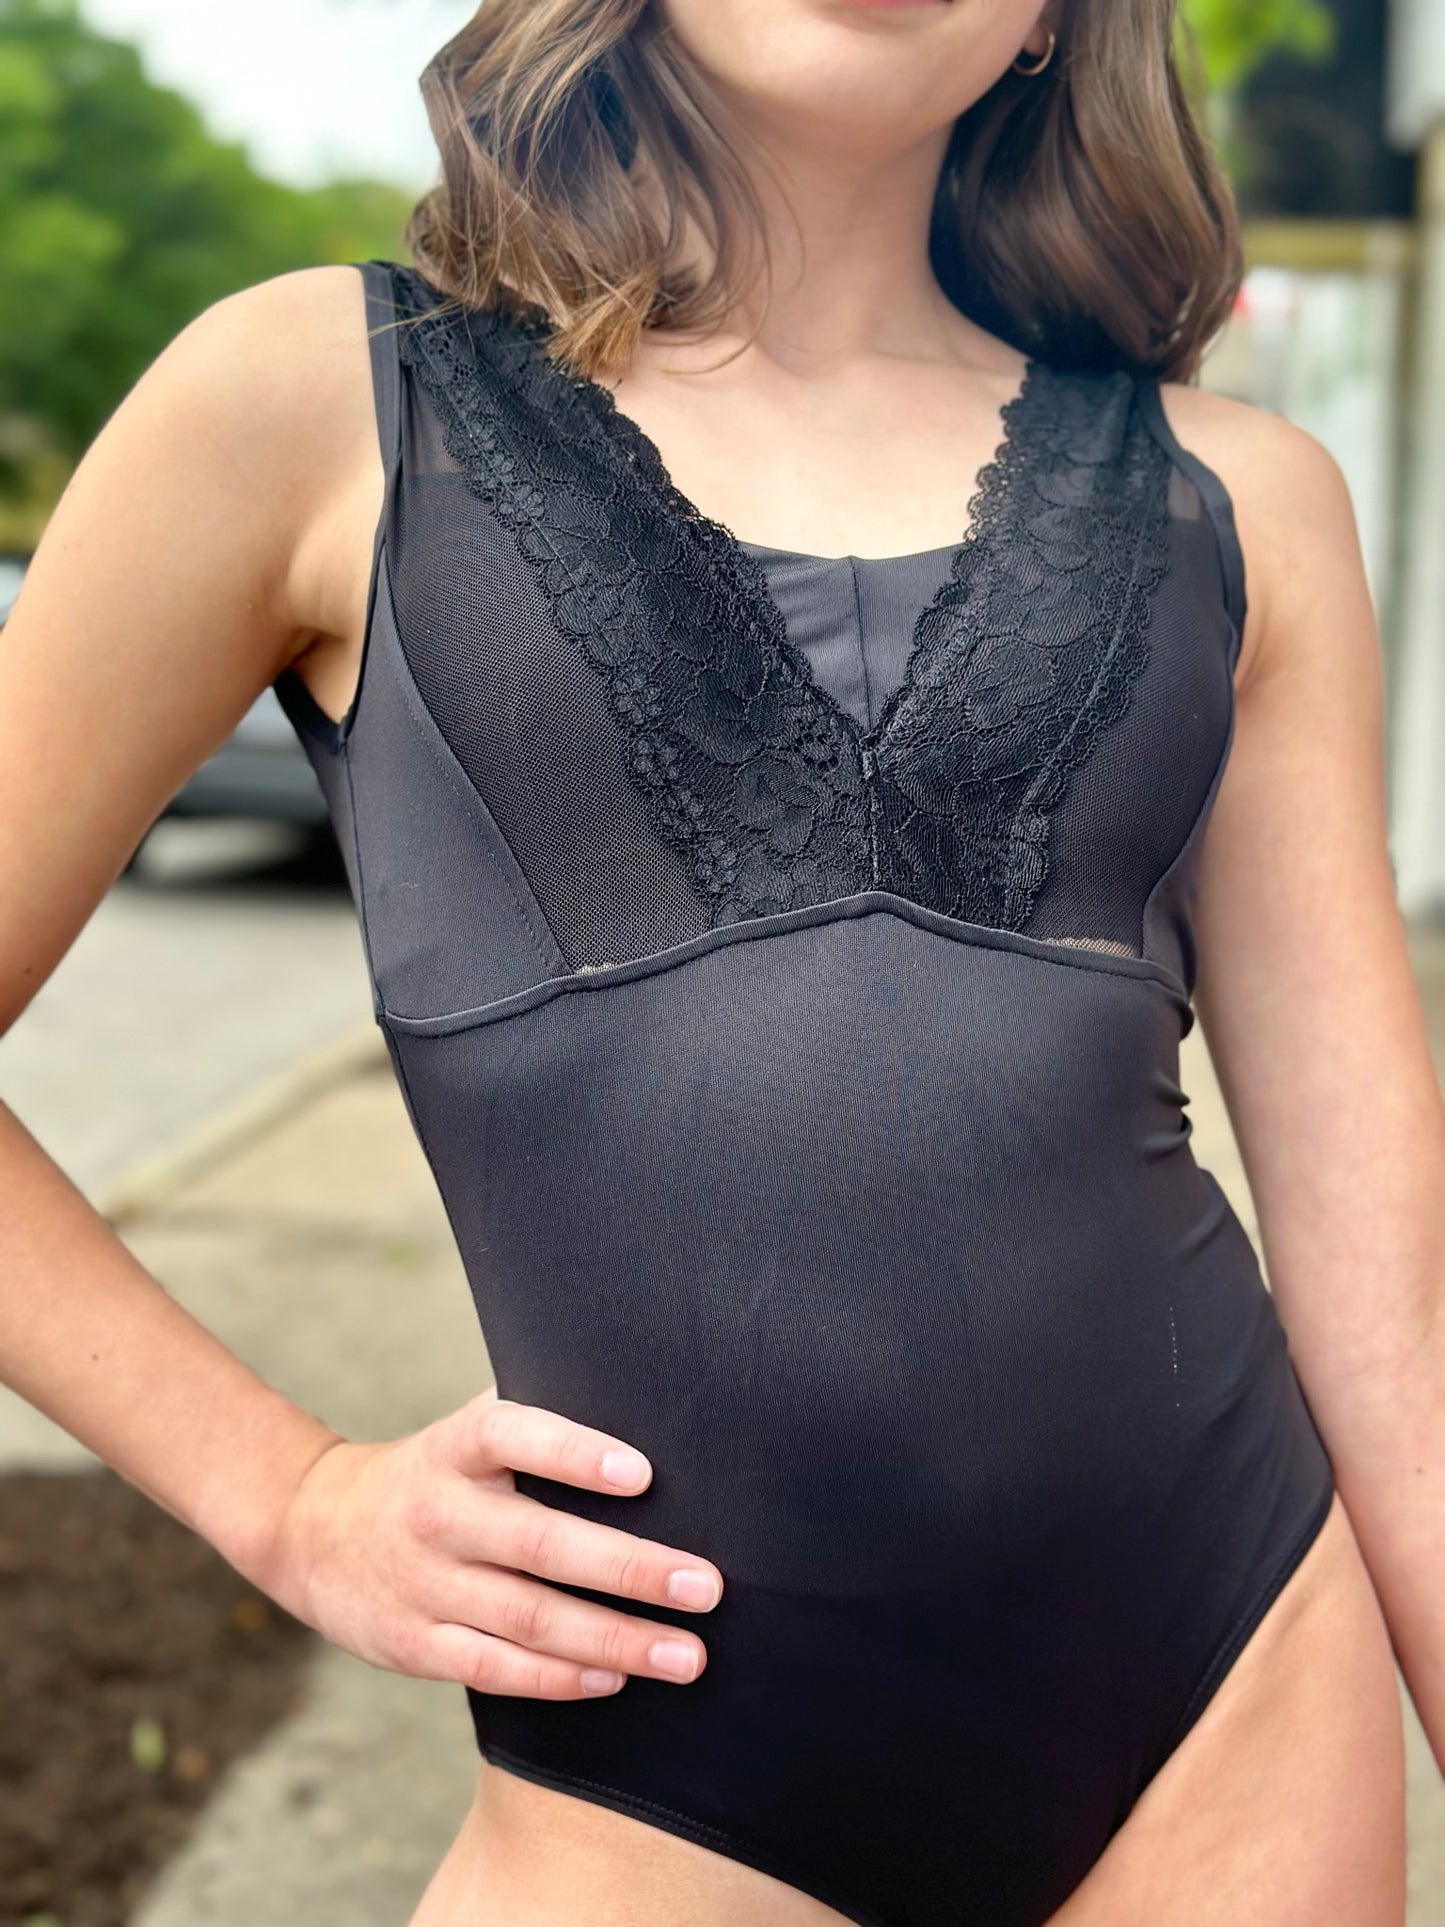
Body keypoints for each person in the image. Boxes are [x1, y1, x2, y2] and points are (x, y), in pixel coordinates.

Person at [1, 0, 1440, 1921]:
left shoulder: (1243, 499)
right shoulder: (316, 402)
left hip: (1234, 1696)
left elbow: (1387, 1299)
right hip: (653, 1763)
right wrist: (284, 1494)